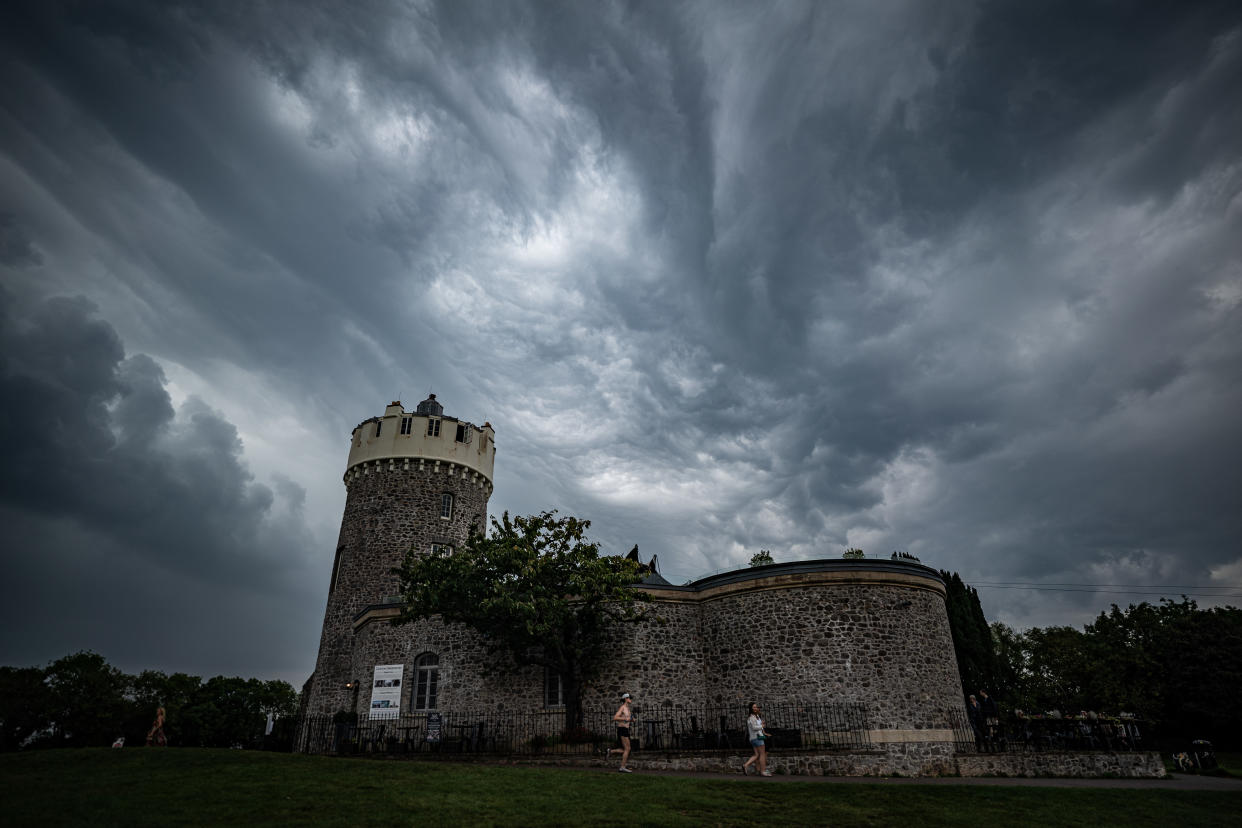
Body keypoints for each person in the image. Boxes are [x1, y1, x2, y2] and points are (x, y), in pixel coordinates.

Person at [605, 692, 634, 773]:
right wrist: (625, 719)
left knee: (624, 749)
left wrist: (631, 719)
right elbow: (615, 717)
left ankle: (610, 751)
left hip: (625, 729)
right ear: (625, 699)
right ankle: (622, 767)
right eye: (629, 698)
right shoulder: (622, 707)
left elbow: (627, 719)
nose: (630, 699)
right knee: (628, 749)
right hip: (622, 729)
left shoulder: (627, 708)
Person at [742, 702, 772, 776]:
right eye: (754, 707)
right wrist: (761, 726)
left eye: (756, 707)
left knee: (757, 755)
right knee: (762, 754)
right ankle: (763, 771)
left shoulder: (756, 716)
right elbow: (754, 728)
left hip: (755, 738)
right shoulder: (751, 717)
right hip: (757, 737)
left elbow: (758, 727)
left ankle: (745, 765)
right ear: (751, 709)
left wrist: (763, 730)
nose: (755, 708)